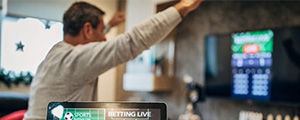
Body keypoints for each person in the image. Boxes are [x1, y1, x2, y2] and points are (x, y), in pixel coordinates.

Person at [23, 0, 204, 119]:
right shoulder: (74, 60)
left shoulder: (57, 56)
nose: (104, 38)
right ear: (87, 29)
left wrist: (108, 25)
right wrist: (184, 6)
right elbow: (131, 42)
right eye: (101, 31)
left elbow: (91, 47)